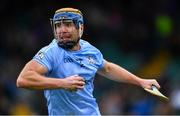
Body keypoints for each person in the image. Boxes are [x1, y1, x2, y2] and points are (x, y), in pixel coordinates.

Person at [16, 7, 160, 115]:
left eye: (67, 24)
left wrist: (141, 81)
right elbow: (23, 80)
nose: (62, 30)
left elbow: (107, 68)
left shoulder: (90, 50)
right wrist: (62, 83)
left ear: (80, 27)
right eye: (58, 25)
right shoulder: (50, 52)